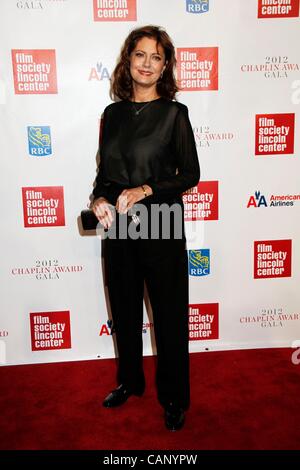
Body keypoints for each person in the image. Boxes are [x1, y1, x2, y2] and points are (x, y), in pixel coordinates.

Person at [91, 25, 200, 431]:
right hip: (118, 225)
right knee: (123, 308)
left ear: (165, 64)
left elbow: (190, 174)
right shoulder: (112, 114)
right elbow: (105, 177)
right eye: (140, 55)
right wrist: (99, 199)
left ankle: (174, 397)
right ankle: (129, 382)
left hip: (161, 221)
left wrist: (145, 188)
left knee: (169, 315)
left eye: (156, 57)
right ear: (128, 60)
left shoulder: (175, 114)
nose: (147, 64)